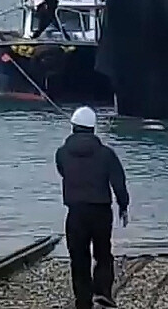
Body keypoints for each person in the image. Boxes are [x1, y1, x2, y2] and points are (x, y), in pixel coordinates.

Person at [55, 106, 130, 309]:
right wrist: (123, 206)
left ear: (73, 127)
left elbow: (63, 171)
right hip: (100, 212)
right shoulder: (107, 155)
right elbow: (118, 183)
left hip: (75, 212)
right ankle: (103, 292)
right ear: (93, 129)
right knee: (103, 254)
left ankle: (83, 300)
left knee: (78, 257)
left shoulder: (62, 153)